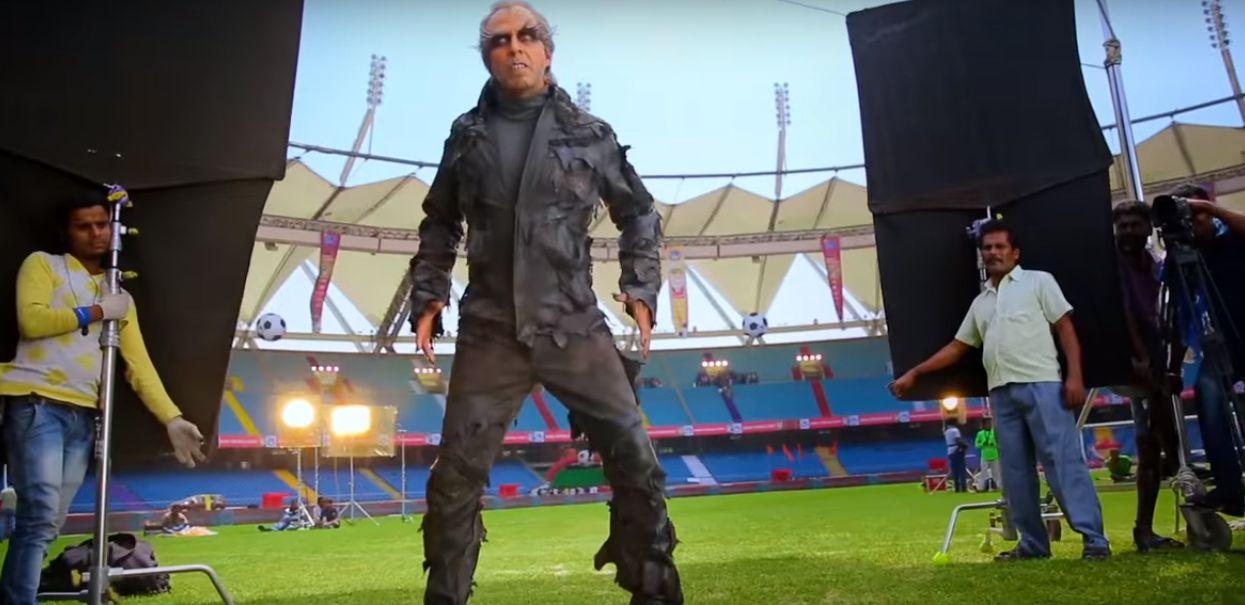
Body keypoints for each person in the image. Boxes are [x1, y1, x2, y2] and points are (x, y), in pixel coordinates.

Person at [408, 3, 680, 603]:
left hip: (574, 324)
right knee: (454, 479)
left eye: (527, 35)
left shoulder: (591, 134)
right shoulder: (466, 135)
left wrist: (640, 286)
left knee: (636, 459)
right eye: (499, 40)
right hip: (489, 330)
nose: (514, 47)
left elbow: (639, 213)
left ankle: (656, 590)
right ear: (487, 57)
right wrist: (429, 292)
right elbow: (440, 221)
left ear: (547, 51)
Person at [0, 193, 207, 604]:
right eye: (84, 226)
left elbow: (138, 364)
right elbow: (32, 320)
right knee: (40, 514)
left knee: (49, 521)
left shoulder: (120, 296)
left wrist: (172, 417)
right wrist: (96, 312)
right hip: (36, 401)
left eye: (102, 224)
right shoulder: (44, 264)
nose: (96, 233)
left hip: (83, 414)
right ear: (67, 232)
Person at [890, 220, 1110, 561]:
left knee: (1062, 463)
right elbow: (958, 347)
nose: (993, 253)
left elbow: (1065, 328)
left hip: (1043, 384)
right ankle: (1033, 545)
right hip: (1001, 393)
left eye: (999, 247)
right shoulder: (981, 302)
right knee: (1015, 471)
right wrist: (916, 373)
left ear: (1015, 252)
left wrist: (1075, 377)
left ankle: (1094, 540)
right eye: (987, 248)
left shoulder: (1039, 281)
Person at [1112, 200, 1184, 551]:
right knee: (1153, 441)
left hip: (1156, 359)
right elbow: (1124, 311)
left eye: (1134, 224)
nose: (1128, 231)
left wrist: (1171, 365)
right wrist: (1140, 358)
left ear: (1147, 227)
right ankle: (1144, 528)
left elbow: (1170, 314)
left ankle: (1148, 524)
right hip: (1131, 362)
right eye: (1122, 225)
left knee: (1159, 440)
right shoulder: (1115, 264)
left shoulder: (1156, 264)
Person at [1170, 185, 1245, 517]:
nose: (1193, 222)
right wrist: (1173, 365)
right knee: (1207, 394)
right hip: (1221, 344)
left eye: (1197, 214)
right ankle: (1229, 486)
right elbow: (1177, 312)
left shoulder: (1233, 236)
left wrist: (1210, 210)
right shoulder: (1182, 254)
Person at [974, 417, 1001, 492]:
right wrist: (982, 444)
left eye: (990, 423)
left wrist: (994, 444)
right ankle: (981, 488)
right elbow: (976, 445)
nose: (989, 424)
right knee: (983, 473)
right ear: (984, 424)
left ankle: (999, 487)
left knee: (996, 473)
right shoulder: (980, 433)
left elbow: (999, 443)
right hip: (985, 456)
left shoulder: (995, 432)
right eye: (987, 423)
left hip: (994, 455)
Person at [943, 421, 968, 492]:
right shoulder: (955, 430)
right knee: (962, 469)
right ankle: (963, 487)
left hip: (950, 451)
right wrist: (965, 445)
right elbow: (958, 440)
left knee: (955, 470)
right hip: (956, 450)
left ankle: (957, 488)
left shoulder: (946, 432)